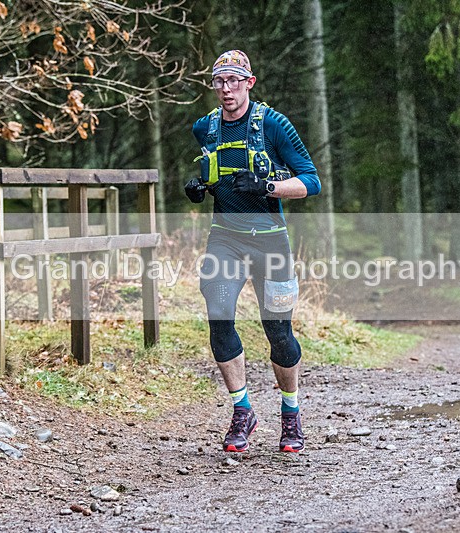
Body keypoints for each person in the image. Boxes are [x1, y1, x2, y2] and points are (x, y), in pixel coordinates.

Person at [184, 50, 321, 453]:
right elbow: (211, 174)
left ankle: (290, 412)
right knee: (219, 318)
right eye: (219, 82)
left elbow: (311, 181)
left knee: (278, 332)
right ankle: (242, 410)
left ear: (250, 82)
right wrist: (199, 188)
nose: (226, 89)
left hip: (270, 239)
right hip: (225, 237)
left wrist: (267, 188)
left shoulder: (274, 125)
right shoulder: (205, 128)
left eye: (233, 80)